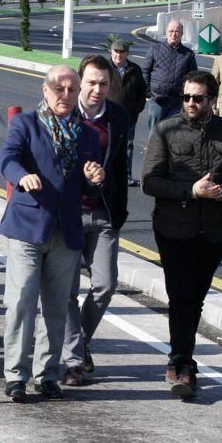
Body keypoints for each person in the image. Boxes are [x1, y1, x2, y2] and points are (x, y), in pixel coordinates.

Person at [0, 65, 106, 403]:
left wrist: (95, 176)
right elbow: (7, 157)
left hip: (66, 230)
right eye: (58, 88)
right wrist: (21, 176)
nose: (65, 95)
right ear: (45, 90)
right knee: (21, 303)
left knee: (57, 307)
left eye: (71, 89)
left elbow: (91, 179)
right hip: (29, 226)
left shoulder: (87, 134)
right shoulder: (26, 124)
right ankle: (15, 375)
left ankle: (48, 375)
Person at [141, 70, 222, 400]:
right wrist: (191, 191)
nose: (191, 103)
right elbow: (150, 182)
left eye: (198, 97)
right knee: (181, 297)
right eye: (186, 97)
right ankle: (181, 364)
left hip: (211, 230)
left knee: (195, 300)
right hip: (173, 228)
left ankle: (182, 358)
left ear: (212, 100)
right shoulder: (166, 130)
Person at [62, 55, 130, 386]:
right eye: (91, 82)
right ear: (79, 82)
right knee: (67, 289)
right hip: (70, 214)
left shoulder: (118, 116)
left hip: (103, 214)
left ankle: (79, 342)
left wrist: (119, 208)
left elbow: (121, 168)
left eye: (103, 83)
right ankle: (73, 361)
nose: (97, 89)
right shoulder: (64, 114)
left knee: (104, 285)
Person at [142, 19, 197, 135]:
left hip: (177, 101)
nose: (174, 34)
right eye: (171, 31)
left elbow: (193, 78)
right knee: (155, 134)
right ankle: (153, 153)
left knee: (174, 134)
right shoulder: (155, 49)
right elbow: (145, 71)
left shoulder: (188, 54)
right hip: (157, 100)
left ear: (182, 34)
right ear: (166, 33)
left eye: (177, 31)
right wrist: (148, 95)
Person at [107, 39, 146, 186]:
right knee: (107, 144)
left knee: (127, 146)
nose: (118, 55)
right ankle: (107, 174)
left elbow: (142, 91)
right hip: (108, 116)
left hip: (129, 117)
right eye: (116, 51)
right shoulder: (104, 68)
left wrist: (137, 108)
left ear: (127, 54)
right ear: (111, 52)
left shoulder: (135, 70)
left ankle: (126, 176)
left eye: (122, 52)